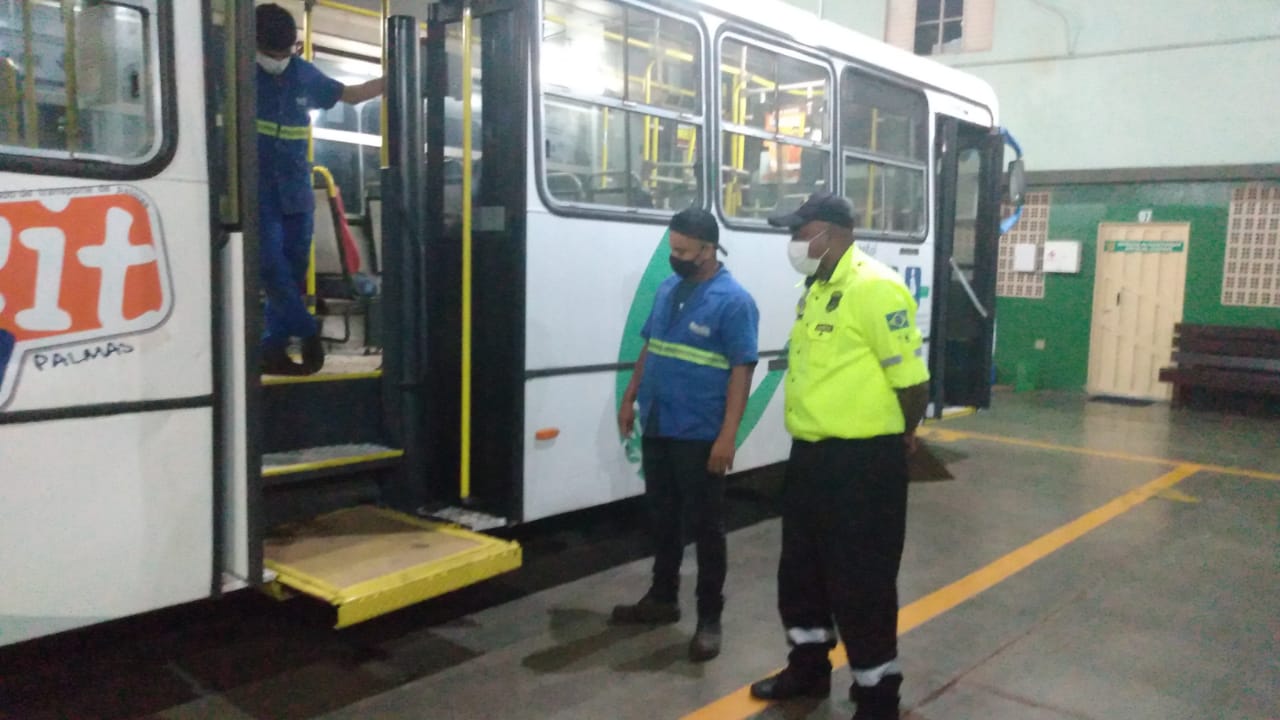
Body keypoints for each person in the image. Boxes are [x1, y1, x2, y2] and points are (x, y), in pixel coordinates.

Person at [749, 193, 930, 720]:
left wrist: (904, 433)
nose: (793, 243)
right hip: (811, 457)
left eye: (800, 232)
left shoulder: (874, 287)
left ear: (831, 232)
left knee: (861, 581)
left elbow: (912, 382)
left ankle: (877, 694)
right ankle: (808, 668)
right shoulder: (816, 289)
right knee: (801, 573)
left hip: (862, 463)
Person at [613, 208, 760, 662]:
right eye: (671, 247)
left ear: (708, 249)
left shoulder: (734, 302)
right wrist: (630, 397)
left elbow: (742, 372)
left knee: (706, 528)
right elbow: (650, 346)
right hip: (659, 424)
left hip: (699, 432)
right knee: (662, 518)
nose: (673, 256)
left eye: (681, 250)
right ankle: (663, 598)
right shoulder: (667, 290)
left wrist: (727, 436)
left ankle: (709, 619)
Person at [255, 3, 384, 375]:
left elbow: (352, 95)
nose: (280, 61)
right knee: (270, 266)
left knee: (294, 270)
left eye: (287, 53)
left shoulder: (303, 74)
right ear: (254, 45)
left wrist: (394, 78)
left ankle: (273, 347)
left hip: (296, 190)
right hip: (257, 187)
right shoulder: (237, 73)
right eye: (272, 55)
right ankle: (307, 329)